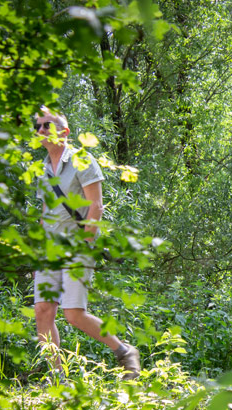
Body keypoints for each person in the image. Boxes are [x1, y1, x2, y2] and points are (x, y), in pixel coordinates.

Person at [33, 107, 140, 380]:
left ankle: (125, 352)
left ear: (65, 132)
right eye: (38, 127)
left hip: (77, 245)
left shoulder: (82, 160)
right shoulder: (42, 169)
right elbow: (46, 212)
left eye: (47, 125)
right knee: (43, 310)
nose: (42, 130)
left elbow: (96, 207)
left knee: (74, 314)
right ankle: (56, 377)